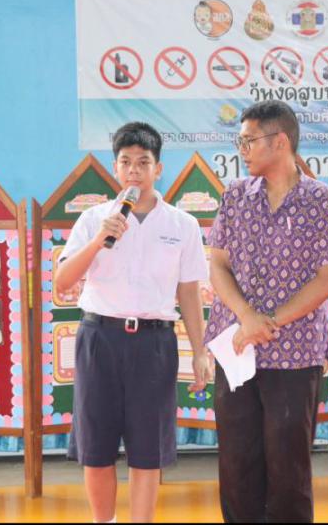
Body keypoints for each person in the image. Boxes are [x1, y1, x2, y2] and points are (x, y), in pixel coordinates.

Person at [54, 122, 210, 523]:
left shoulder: (183, 225)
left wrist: (201, 352)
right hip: (99, 338)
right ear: (115, 168)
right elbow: (63, 281)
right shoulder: (93, 219)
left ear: (158, 169)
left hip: (154, 344)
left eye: (143, 162)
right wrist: (99, 240)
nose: (134, 171)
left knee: (147, 451)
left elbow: (189, 293)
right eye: (125, 162)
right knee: (96, 448)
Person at [206, 100, 328, 523]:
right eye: (240, 141)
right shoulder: (235, 195)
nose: (242, 149)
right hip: (237, 348)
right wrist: (247, 318)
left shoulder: (325, 201)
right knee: (237, 462)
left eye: (249, 140)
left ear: (281, 141)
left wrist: (269, 322)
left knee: (289, 464)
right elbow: (218, 265)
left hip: (295, 353)